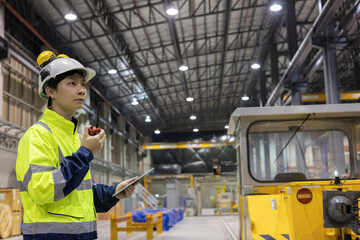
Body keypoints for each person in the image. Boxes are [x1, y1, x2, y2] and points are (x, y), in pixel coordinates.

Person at [16, 51, 138, 240]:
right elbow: (43, 191)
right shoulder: (38, 135)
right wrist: (85, 153)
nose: (81, 90)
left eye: (82, 84)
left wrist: (114, 192)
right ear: (51, 91)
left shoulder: (75, 139)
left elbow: (80, 194)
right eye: (72, 83)